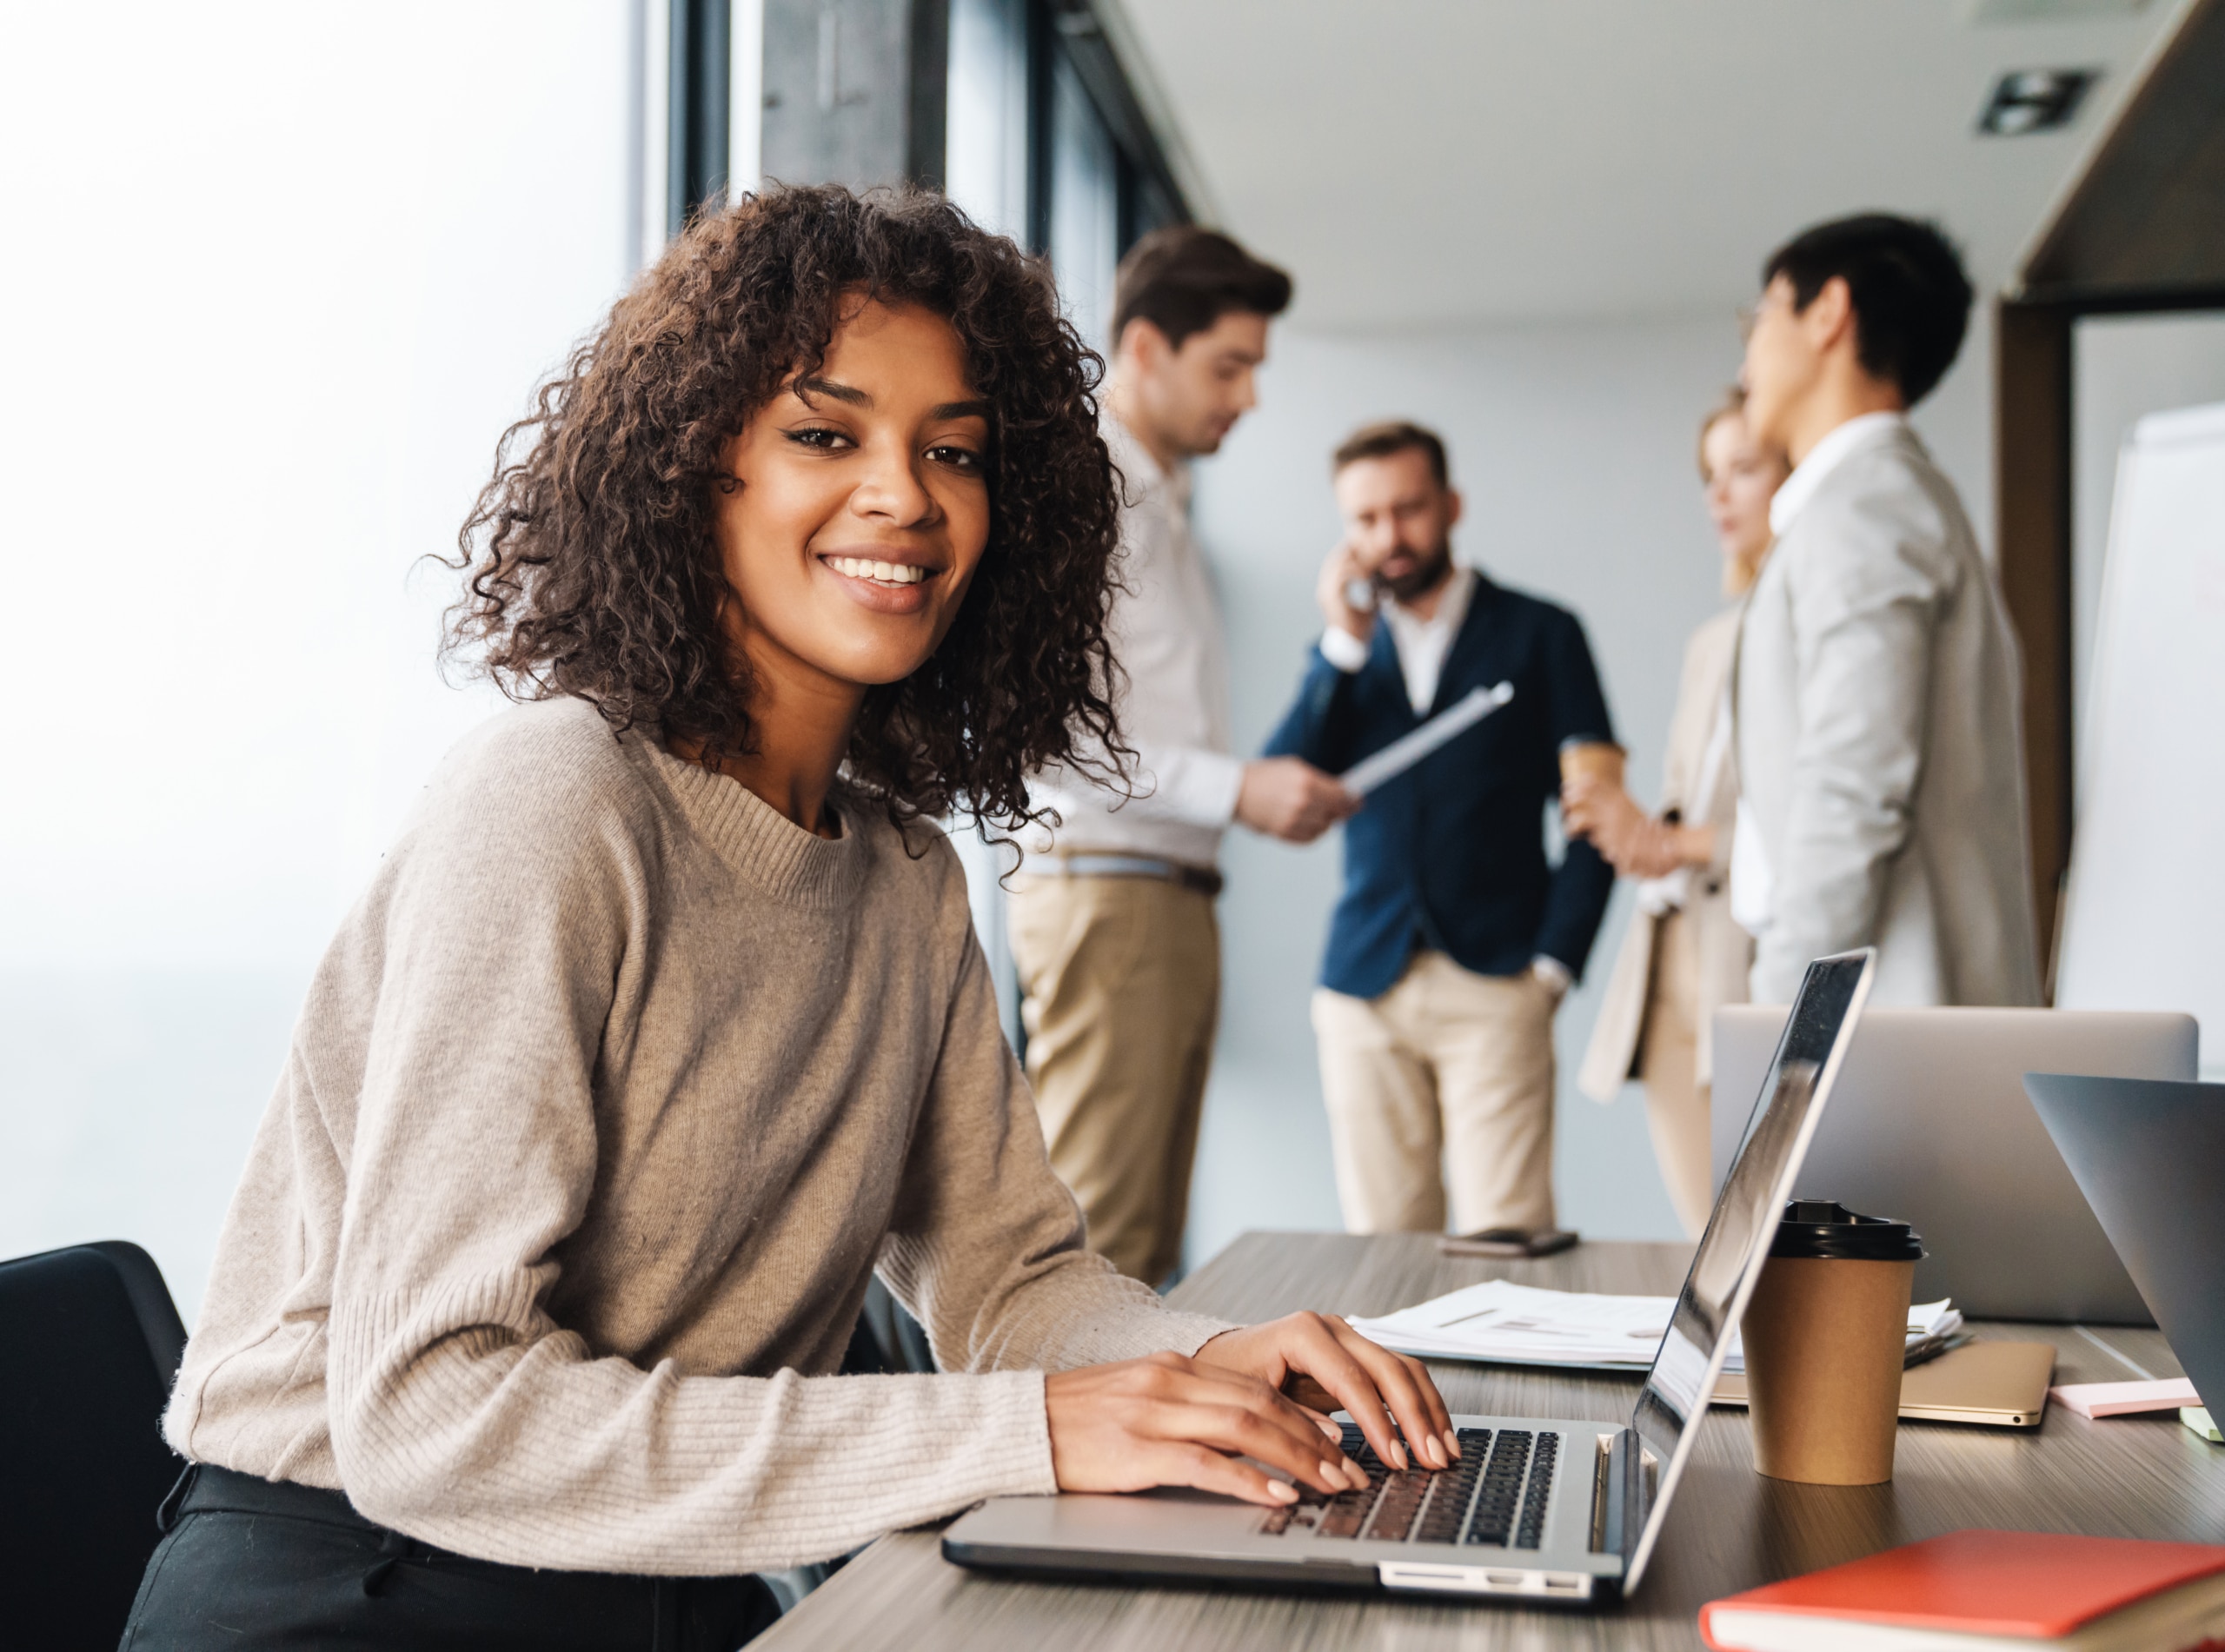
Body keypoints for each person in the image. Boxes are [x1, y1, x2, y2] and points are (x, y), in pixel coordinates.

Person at [123, 187, 1456, 1652]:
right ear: (702, 470)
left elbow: (1011, 1280)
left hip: (669, 1578)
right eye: (827, 435)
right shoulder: (559, 799)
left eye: (955, 451)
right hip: (364, 1587)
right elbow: (433, 1412)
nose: (907, 495)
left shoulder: (903, 876)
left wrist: (1207, 1360)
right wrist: (1025, 1434)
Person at [1012, 227, 1352, 1287]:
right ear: (1147, 350)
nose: (1247, 397)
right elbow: (1049, 733)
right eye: (1229, 366)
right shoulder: (1095, 492)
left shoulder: (1158, 496)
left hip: (1157, 894)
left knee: (1140, 1250)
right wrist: (1236, 787)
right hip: (1114, 893)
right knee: (1099, 1250)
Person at [1264, 421, 1617, 1237]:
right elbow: (1280, 787)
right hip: (1364, 985)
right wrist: (1340, 647)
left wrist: (1555, 966)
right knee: (1383, 1250)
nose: (1390, 536)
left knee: (1508, 1240)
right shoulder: (1347, 655)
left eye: (1409, 509)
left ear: (1451, 506)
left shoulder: (1542, 632)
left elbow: (1599, 811)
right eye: (1365, 519)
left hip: (1498, 980)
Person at [1731, 213, 2041, 1007]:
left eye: (1761, 317)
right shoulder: (1886, 500)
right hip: (1896, 1011)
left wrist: (1779, 1004)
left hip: (1884, 1018)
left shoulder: (1867, 506)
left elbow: (1855, 782)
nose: (1748, 358)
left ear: (1829, 312)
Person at [1568, 391, 1790, 1236]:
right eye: (1709, 475)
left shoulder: (1810, 631)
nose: (1718, 495)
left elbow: (1815, 825)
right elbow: (1682, 807)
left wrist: (1670, 840)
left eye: (1743, 468)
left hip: (1749, 957)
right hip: (1665, 963)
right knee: (1709, 1238)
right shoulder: (1712, 641)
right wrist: (1627, 826)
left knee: (1764, 1240)